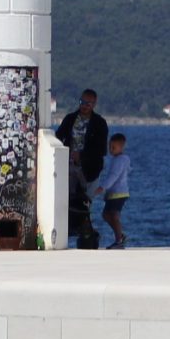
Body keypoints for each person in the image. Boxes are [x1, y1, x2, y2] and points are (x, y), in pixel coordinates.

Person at [55, 89, 109, 249]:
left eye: (88, 104)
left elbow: (101, 149)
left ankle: (86, 233)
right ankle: (67, 230)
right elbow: (59, 137)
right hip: (69, 167)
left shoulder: (99, 123)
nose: (84, 106)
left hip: (89, 170)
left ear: (94, 104)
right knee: (68, 199)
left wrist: (82, 156)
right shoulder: (70, 119)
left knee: (85, 201)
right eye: (82, 102)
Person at [96, 133, 132, 249]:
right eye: (110, 147)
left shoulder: (121, 160)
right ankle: (120, 234)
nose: (111, 150)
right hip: (112, 194)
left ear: (121, 147)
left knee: (114, 216)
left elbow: (113, 176)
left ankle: (119, 240)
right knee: (106, 215)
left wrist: (103, 187)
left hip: (119, 193)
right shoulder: (115, 159)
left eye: (113, 147)